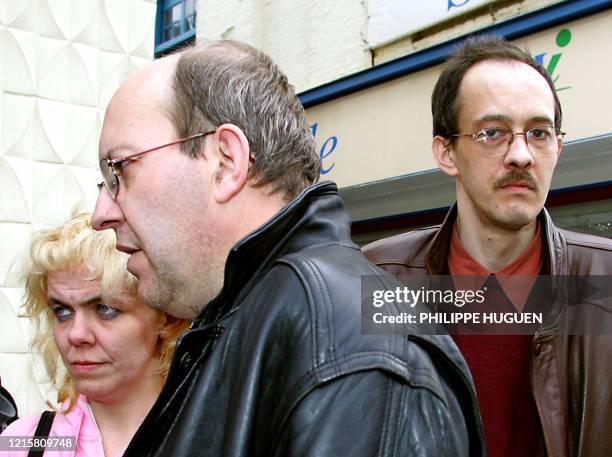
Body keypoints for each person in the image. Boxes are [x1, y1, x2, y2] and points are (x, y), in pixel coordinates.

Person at [91, 40, 485, 456]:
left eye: (119, 170)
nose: (101, 212)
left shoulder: (347, 351)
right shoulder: (265, 321)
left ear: (226, 161)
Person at [364, 36, 612, 457]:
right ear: (447, 153)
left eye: (538, 132)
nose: (521, 155)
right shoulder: (377, 277)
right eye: (492, 132)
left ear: (558, 147)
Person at [1, 213, 188, 456]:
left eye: (105, 309)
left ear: (168, 317)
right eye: (62, 311)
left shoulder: (216, 436)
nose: (76, 334)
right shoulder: (24, 442)